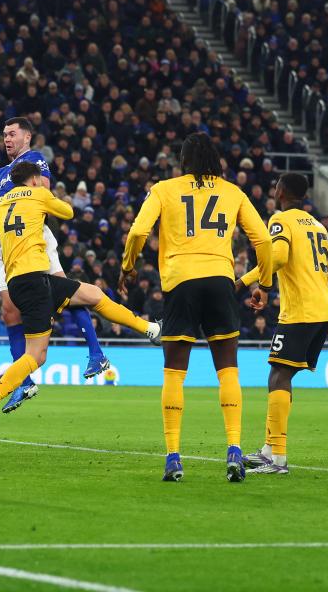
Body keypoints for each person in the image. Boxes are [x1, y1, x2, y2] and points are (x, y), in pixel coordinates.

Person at [0, 161, 160, 444]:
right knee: (36, 356)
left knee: (92, 294)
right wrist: (52, 198)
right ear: (33, 180)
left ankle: (151, 330)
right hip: (35, 281)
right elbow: (68, 212)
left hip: (22, 282)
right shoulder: (39, 194)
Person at [118, 132, 273, 482]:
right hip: (220, 280)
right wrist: (264, 282)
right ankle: (234, 449)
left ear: (182, 161)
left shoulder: (164, 189)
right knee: (228, 370)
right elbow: (263, 239)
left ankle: (174, 457)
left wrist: (128, 265)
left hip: (180, 282)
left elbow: (138, 232)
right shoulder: (233, 192)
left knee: (174, 371)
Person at [0, 117, 110, 414]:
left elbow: (42, 194)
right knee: (9, 312)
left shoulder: (35, 161)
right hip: (8, 246)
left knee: (69, 292)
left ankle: (96, 352)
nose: (6, 139)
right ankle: (24, 381)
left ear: (27, 137)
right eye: (4, 135)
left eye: (12, 134)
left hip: (34, 237)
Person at [237, 173, 328, 475]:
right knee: (283, 374)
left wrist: (246, 283)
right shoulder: (318, 226)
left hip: (300, 312)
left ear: (282, 191)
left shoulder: (280, 219)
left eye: (275, 186)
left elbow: (278, 256)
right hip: (324, 311)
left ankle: (277, 458)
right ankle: (270, 447)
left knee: (278, 376)